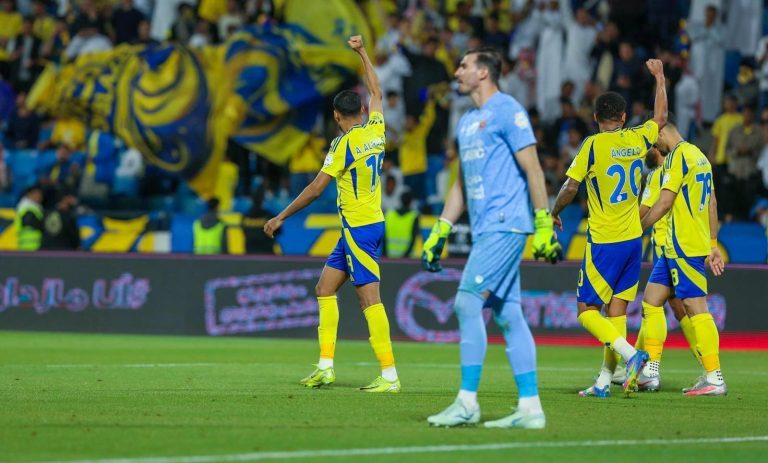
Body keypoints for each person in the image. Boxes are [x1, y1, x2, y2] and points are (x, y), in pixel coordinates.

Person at [424, 47, 562, 429]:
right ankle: (530, 408)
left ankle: (467, 402)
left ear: (483, 72)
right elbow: (461, 185)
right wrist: (441, 229)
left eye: (464, 66)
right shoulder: (467, 121)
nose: (457, 72)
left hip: (506, 223)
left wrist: (543, 223)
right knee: (508, 314)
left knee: (467, 302)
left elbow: (533, 169)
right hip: (486, 226)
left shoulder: (508, 110)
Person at [264, 35, 400, 393]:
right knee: (324, 288)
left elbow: (315, 189)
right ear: (363, 110)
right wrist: (362, 52)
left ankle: (389, 375)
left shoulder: (342, 145)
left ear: (337, 116)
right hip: (363, 225)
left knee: (369, 298)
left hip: (359, 227)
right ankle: (325, 367)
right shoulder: (377, 129)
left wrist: (281, 216)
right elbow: (377, 89)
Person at [550, 59, 668, 398]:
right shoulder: (637, 138)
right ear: (624, 117)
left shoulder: (592, 145)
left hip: (604, 241)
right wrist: (660, 77)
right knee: (616, 312)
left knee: (586, 311)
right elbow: (660, 118)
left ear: (595, 117)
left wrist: (553, 211)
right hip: (633, 241)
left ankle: (631, 356)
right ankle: (604, 380)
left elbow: (571, 187)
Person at [639, 116, 727, 396]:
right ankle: (651, 371)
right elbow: (712, 202)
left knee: (694, 306)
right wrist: (713, 243)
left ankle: (714, 376)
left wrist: (638, 228)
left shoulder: (677, 157)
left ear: (662, 133)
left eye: (655, 141)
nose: (656, 148)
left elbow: (665, 202)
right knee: (651, 300)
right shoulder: (700, 156)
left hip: (683, 244)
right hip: (679, 245)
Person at [612, 145, 704, 390]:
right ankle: (638, 365)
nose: (646, 151)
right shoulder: (679, 167)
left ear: (659, 148)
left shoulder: (658, 174)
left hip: (667, 246)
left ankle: (650, 367)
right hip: (672, 244)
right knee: (661, 306)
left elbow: (645, 209)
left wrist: (622, 229)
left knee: (669, 306)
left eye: (650, 146)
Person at [383, 191, 419, 258]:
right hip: (407, 259)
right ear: (411, 202)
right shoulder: (414, 217)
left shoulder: (389, 214)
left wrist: (384, 254)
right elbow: (414, 239)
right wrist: (404, 257)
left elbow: (383, 237)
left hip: (389, 257)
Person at [14, 184, 44, 251]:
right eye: (35, 193)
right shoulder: (26, 208)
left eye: (40, 193)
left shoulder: (37, 207)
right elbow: (35, 223)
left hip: (36, 246)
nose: (38, 196)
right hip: (29, 246)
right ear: (29, 194)